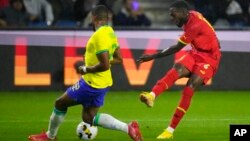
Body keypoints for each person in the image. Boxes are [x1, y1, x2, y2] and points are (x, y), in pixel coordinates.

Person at [28, 5, 143, 141]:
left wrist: (85, 68)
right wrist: (96, 62)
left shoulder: (98, 36)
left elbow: (105, 65)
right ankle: (129, 128)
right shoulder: (110, 32)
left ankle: (50, 137)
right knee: (89, 117)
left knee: (60, 103)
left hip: (91, 83)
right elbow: (119, 59)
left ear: (93, 18)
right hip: (103, 83)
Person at [137, 0, 221, 139]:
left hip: (210, 58)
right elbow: (209, 29)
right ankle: (151, 96)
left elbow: (176, 48)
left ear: (183, 13)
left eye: (173, 15)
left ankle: (170, 130)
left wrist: (152, 56)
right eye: (171, 15)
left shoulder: (194, 25)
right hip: (196, 52)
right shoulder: (191, 17)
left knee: (190, 86)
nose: (172, 18)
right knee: (177, 69)